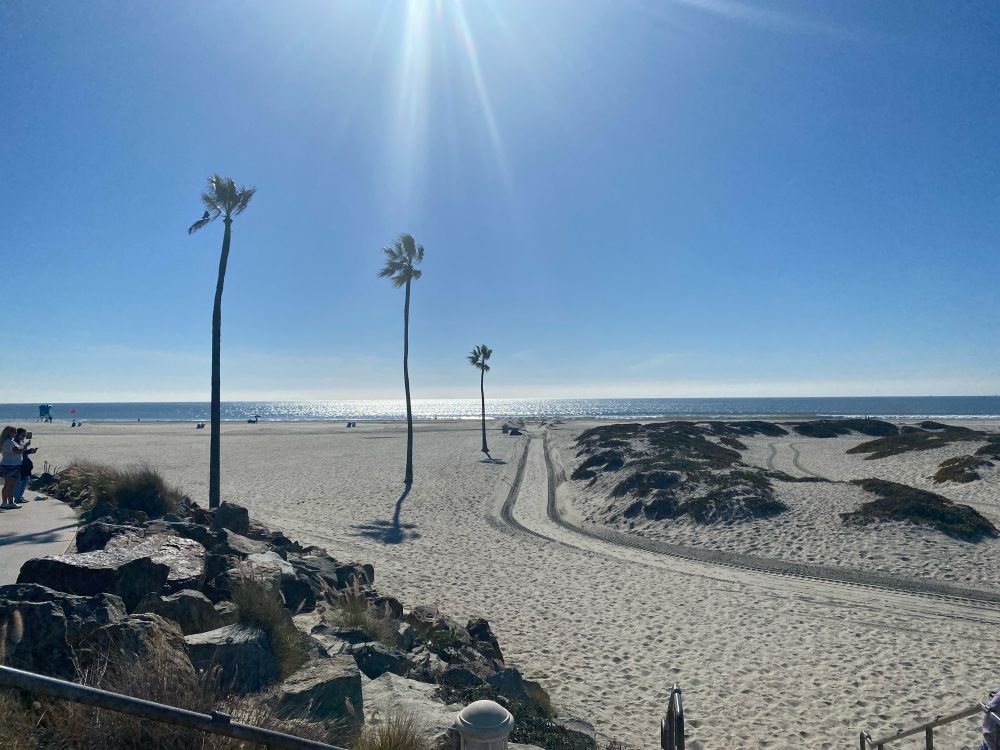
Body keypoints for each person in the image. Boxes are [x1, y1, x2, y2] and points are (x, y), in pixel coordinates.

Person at [1, 426, 35, 510]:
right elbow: (17, 451)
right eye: (15, 432)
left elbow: (18, 449)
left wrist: (25, 447)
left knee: (11, 485)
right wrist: (26, 446)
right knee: (8, 485)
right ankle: (5, 503)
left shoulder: (10, 441)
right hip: (10, 465)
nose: (16, 433)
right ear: (10, 433)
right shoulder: (8, 442)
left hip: (13, 464)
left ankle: (10, 502)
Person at [12, 428, 34, 504]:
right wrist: (25, 446)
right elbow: (17, 451)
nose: (24, 436)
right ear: (17, 435)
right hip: (19, 464)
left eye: (25, 435)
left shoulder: (22, 441)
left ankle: (20, 496)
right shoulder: (14, 442)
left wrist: (30, 451)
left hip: (25, 463)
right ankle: (17, 497)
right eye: (23, 435)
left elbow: (24, 452)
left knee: (25, 480)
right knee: (20, 481)